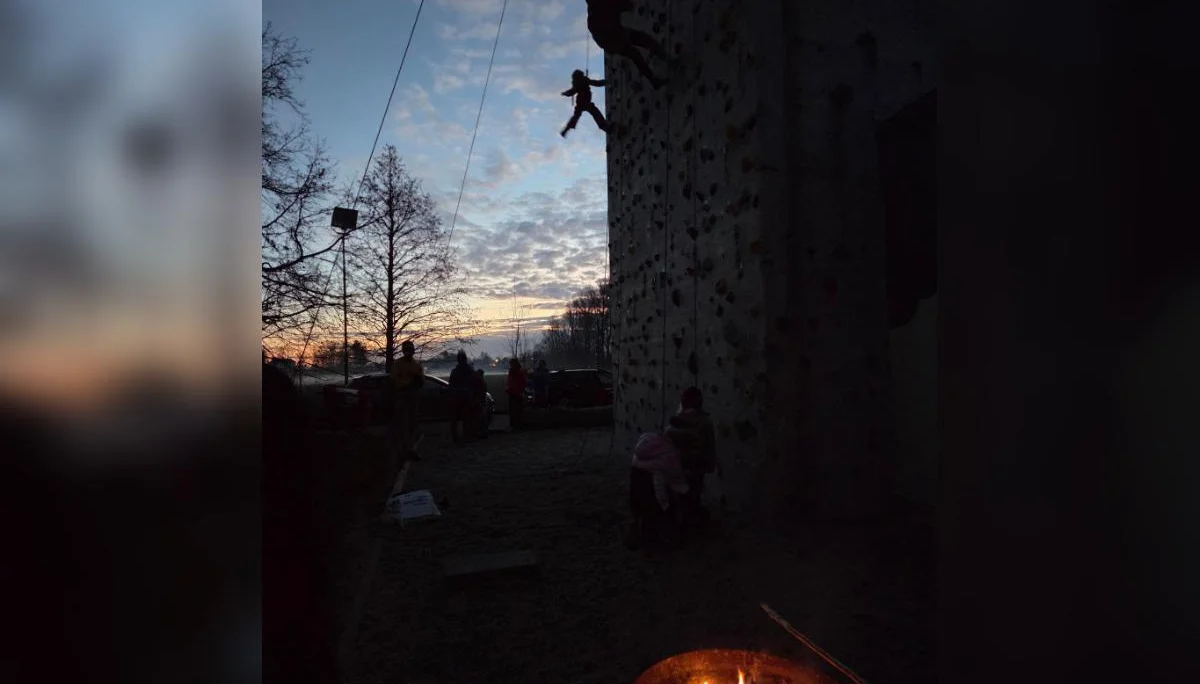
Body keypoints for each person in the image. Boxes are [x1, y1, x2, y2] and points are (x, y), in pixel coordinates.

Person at [664, 386, 717, 531]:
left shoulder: (674, 423)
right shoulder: (705, 422)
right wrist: (708, 465)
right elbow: (709, 448)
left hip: (675, 466)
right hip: (694, 466)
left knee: (677, 498)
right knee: (692, 497)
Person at [587, 0, 671, 89]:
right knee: (643, 43)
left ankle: (655, 78)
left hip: (612, 41)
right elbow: (615, 9)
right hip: (614, 38)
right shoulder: (598, 12)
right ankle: (665, 60)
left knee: (637, 54)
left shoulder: (594, 15)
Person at [389, 340, 425, 463]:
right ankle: (401, 452)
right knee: (402, 426)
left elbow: (421, 381)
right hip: (401, 397)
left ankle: (410, 450)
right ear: (404, 351)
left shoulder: (417, 365)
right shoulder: (397, 364)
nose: (409, 352)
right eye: (407, 350)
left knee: (412, 426)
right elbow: (393, 379)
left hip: (413, 398)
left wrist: (418, 378)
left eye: (411, 349)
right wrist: (407, 384)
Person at [560, 70, 609, 137]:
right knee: (596, 114)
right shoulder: (583, 80)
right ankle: (605, 127)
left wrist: (566, 93)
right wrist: (605, 82)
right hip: (586, 102)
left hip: (580, 102)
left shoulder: (576, 82)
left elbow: (572, 91)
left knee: (576, 116)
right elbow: (596, 83)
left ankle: (566, 130)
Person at [448, 350, 475, 444]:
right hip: (467, 396)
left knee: (454, 419)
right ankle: (466, 436)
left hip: (456, 397)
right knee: (466, 417)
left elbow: (451, 385)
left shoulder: (454, 371)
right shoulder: (470, 371)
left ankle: (455, 438)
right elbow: (473, 383)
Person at [506, 358, 527, 430]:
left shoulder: (515, 372)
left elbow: (519, 383)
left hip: (515, 393)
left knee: (515, 410)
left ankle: (515, 425)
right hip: (515, 393)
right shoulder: (517, 372)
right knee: (516, 410)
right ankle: (516, 425)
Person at [474, 368, 490, 439]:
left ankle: (482, 433)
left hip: (480, 401)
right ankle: (484, 433)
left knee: (481, 418)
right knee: (483, 418)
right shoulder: (483, 381)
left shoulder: (479, 381)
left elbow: (479, 392)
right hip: (482, 401)